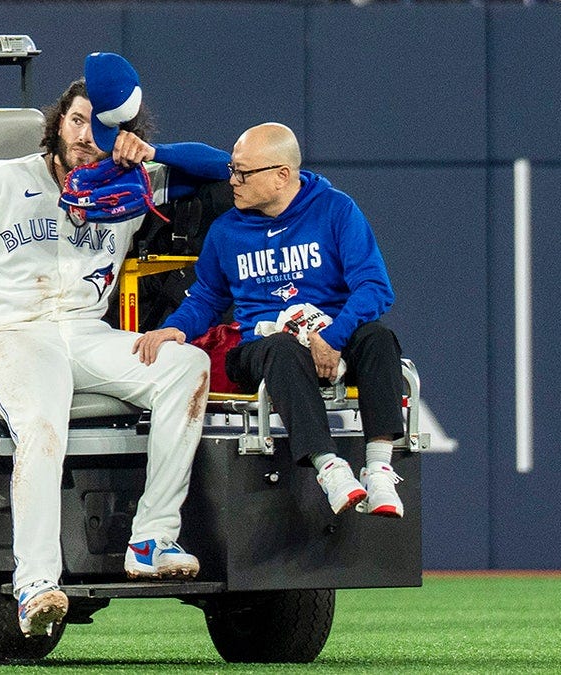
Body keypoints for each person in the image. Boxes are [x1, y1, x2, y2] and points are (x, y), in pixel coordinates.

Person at [0, 52, 231, 638]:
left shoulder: (130, 182)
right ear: (57, 123)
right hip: (9, 333)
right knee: (44, 423)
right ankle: (36, 583)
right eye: (76, 121)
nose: (85, 136)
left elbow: (223, 168)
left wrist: (152, 154)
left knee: (187, 366)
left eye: (98, 126)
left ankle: (152, 538)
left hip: (85, 331)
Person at [136, 122, 407, 520]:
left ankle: (380, 469)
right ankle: (329, 467)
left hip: (329, 338)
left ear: (282, 176)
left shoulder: (335, 209)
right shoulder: (226, 229)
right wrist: (177, 327)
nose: (232, 181)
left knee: (379, 339)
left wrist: (333, 336)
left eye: (243, 173)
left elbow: (374, 287)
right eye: (233, 170)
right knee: (281, 349)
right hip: (260, 348)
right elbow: (208, 297)